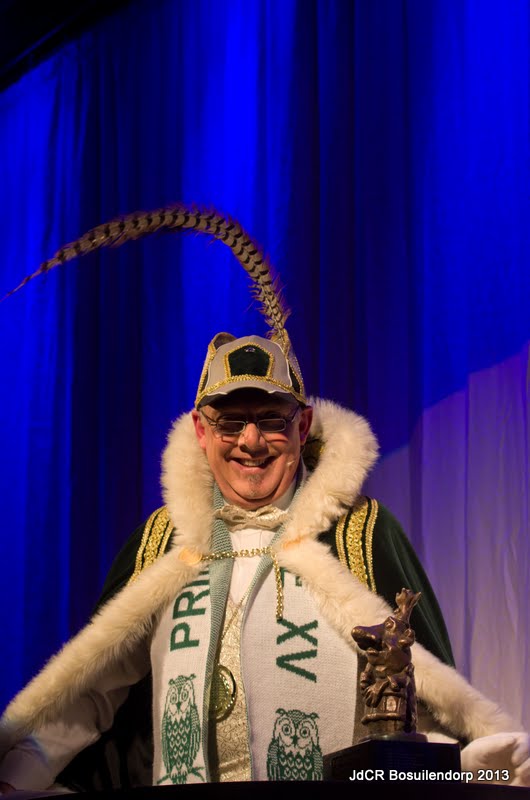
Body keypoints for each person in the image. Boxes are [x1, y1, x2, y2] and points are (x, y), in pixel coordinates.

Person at [1, 207, 529, 790]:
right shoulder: (163, 541)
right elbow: (88, 695)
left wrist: (467, 768)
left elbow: (421, 706)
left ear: (302, 426)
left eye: (271, 420)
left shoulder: (360, 535)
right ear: (201, 432)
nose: (250, 441)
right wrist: (21, 772)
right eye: (230, 422)